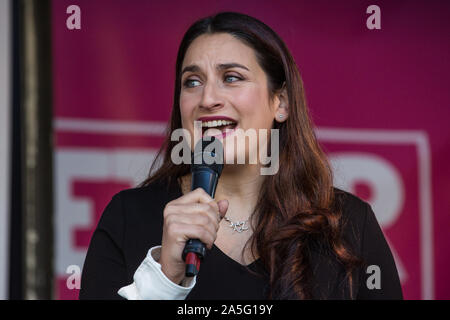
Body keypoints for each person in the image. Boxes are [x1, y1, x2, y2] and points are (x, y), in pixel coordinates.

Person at [79, 11, 402, 300]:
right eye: (192, 82)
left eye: (231, 77)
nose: (207, 98)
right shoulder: (128, 217)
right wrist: (163, 279)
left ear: (281, 103)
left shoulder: (347, 225)